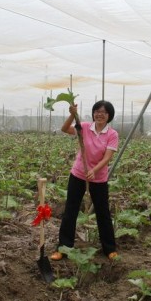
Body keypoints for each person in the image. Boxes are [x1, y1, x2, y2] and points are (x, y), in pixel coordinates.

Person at [51, 101, 118, 261]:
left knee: (103, 213)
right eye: (97, 111)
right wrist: (73, 115)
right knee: (70, 211)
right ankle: (64, 248)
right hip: (79, 174)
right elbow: (65, 129)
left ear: (109, 116)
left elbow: (108, 157)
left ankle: (109, 248)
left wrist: (94, 170)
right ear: (93, 113)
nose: (99, 114)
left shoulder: (112, 134)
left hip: (98, 177)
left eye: (104, 112)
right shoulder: (85, 127)